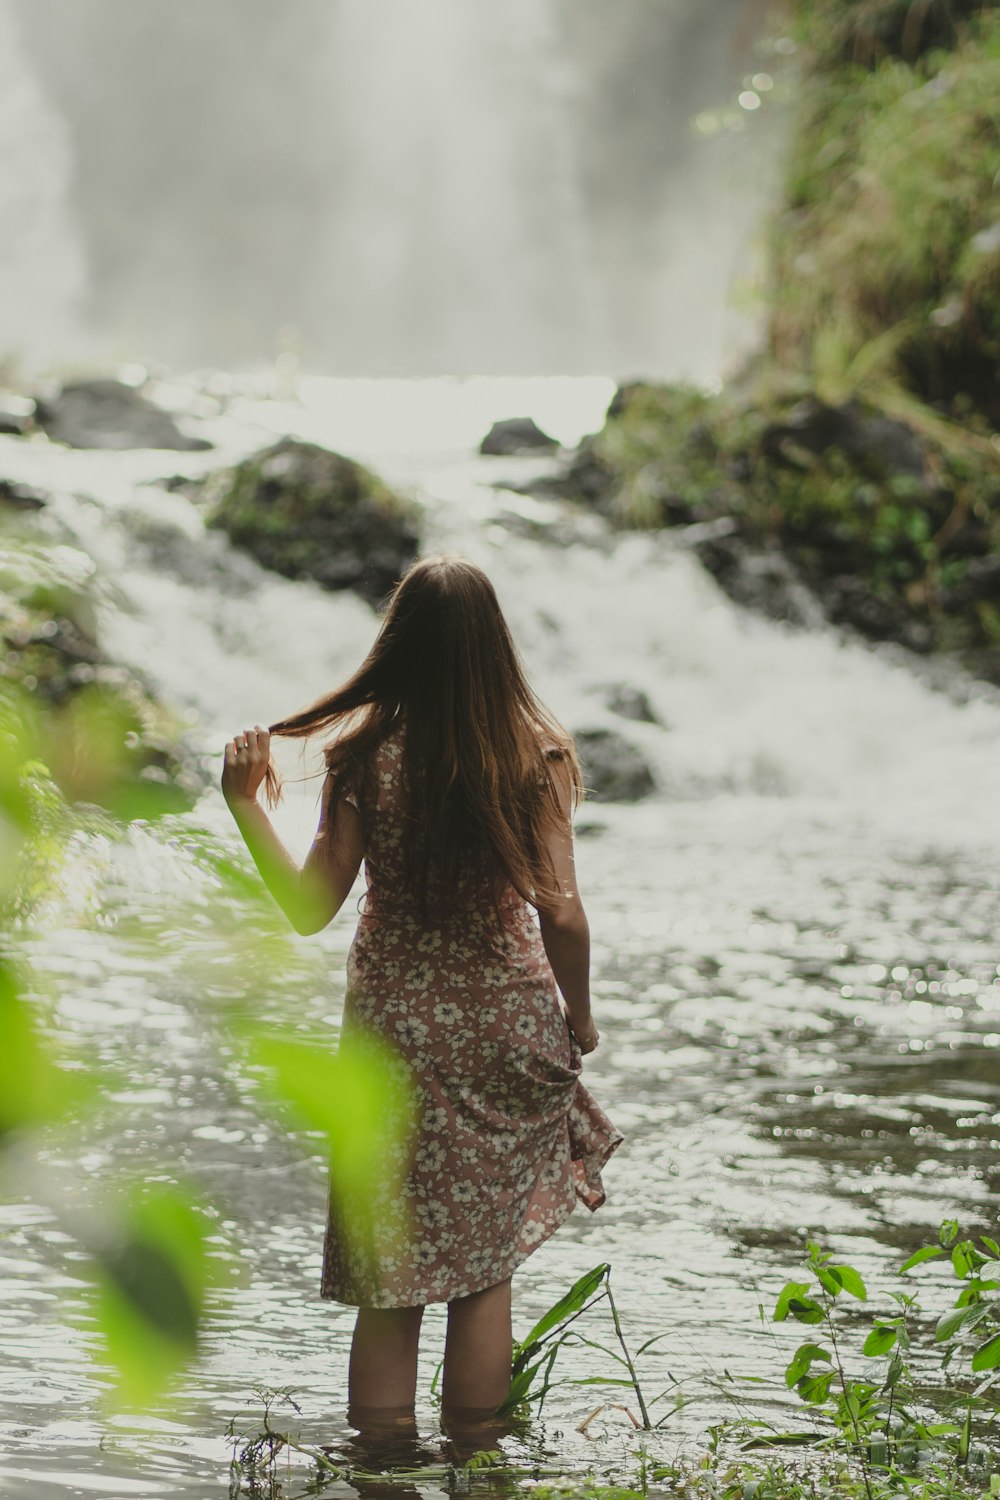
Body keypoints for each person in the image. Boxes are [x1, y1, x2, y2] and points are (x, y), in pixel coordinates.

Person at [221, 554, 622, 1441]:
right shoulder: (537, 755)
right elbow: (563, 913)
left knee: (388, 1275)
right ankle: (478, 1467)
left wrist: (248, 807)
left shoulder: (364, 753)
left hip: (392, 1035)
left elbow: (310, 909)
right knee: (483, 1273)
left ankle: (382, 1471)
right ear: (495, 648)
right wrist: (581, 1019)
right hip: (505, 1026)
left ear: (396, 646)